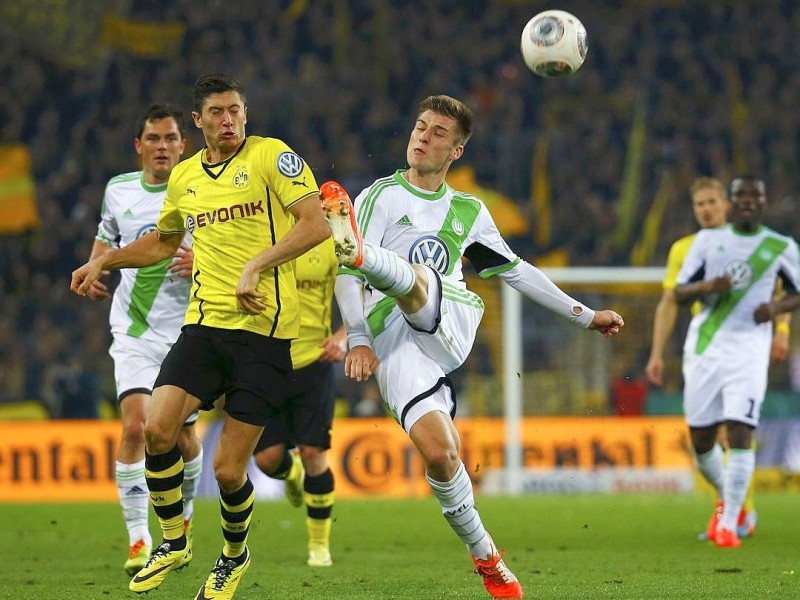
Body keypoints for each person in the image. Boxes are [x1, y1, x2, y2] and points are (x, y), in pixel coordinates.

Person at [319, 94, 624, 599]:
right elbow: (345, 281)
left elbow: (517, 272)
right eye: (420, 126)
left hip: (452, 314)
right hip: (397, 341)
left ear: (455, 152)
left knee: (412, 275)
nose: (423, 136)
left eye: (438, 133)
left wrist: (585, 315)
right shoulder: (380, 196)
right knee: (442, 455)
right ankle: (489, 560)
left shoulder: (468, 210)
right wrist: (358, 337)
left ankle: (361, 251)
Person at [70, 73, 330, 599]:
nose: (228, 119)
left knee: (228, 472)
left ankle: (234, 555)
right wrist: (104, 261)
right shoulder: (185, 177)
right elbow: (163, 243)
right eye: (217, 112)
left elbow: (316, 225)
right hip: (205, 327)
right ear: (199, 121)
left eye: (235, 110)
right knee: (155, 431)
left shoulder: (271, 157)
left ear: (246, 114)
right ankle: (173, 541)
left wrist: (257, 264)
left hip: (265, 335)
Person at [80, 104, 204, 576]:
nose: (162, 147)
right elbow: (106, 237)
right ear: (139, 146)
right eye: (153, 139)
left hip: (187, 332)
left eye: (170, 138)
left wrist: (202, 262)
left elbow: (233, 247)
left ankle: (184, 519)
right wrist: (96, 267)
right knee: (136, 427)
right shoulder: (119, 190)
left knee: (181, 440)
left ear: (182, 145)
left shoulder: (199, 188)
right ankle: (138, 538)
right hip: (132, 330)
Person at [645, 176, 789, 540]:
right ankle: (729, 506)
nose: (706, 210)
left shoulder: (760, 246)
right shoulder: (685, 248)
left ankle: (740, 514)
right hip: (706, 347)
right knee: (705, 437)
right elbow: (670, 299)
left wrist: (782, 332)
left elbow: (779, 287)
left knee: (736, 430)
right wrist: (657, 353)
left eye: (712, 202)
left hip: (746, 347)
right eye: (699, 205)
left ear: (727, 204)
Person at [252, 236, 345, 568]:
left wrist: (344, 336)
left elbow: (361, 291)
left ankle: (319, 545)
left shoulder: (328, 243)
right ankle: (290, 473)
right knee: (266, 460)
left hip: (314, 362)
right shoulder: (262, 233)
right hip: (267, 361)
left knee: (313, 453)